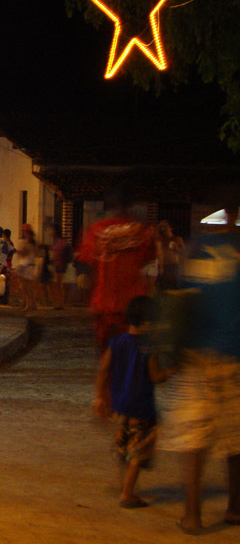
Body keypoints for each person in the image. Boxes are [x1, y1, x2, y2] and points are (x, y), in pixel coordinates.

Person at [161, 203, 240, 534]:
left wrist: (169, 353)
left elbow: (178, 297)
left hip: (196, 355)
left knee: (195, 437)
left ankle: (192, 514)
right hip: (235, 355)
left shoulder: (193, 246)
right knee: (235, 437)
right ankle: (235, 508)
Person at [94, 296, 172, 509]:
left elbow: (104, 370)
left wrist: (100, 397)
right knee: (139, 451)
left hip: (120, 405)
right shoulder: (149, 348)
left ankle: (122, 485)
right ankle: (128, 494)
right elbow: (156, 377)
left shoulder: (117, 342)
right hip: (142, 408)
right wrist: (170, 371)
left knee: (123, 446)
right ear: (147, 323)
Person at [77, 186, 155, 349]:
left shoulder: (96, 231)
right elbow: (147, 261)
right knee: (131, 358)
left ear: (109, 205)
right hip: (133, 307)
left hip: (104, 304)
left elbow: (87, 266)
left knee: (107, 357)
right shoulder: (141, 231)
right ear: (131, 205)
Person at [14, 224, 38, 312]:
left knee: (27, 287)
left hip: (28, 265)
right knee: (25, 287)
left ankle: (29, 304)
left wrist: (19, 250)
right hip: (26, 265)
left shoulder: (29, 243)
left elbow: (24, 253)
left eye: (24, 231)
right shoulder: (30, 242)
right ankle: (28, 304)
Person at [155, 220, 184, 291]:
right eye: (162, 228)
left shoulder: (177, 239)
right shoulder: (160, 240)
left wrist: (176, 249)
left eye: (165, 227)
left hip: (173, 265)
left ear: (170, 228)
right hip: (162, 266)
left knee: (173, 286)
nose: (164, 229)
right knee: (162, 287)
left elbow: (184, 253)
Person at [50, 223, 72, 310]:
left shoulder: (60, 241)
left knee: (59, 284)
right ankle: (58, 303)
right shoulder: (56, 240)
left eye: (52, 230)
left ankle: (60, 303)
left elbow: (59, 252)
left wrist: (55, 257)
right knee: (57, 284)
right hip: (58, 264)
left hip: (60, 264)